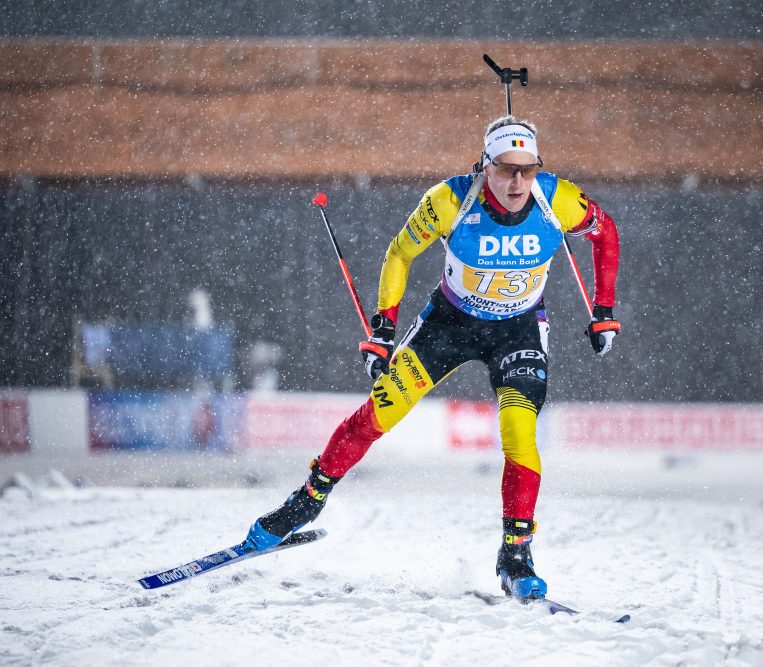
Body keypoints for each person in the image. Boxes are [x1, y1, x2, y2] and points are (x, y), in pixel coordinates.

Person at [245, 115, 621, 599]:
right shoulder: (449, 200)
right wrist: (383, 330)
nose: (517, 182)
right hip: (450, 324)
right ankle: (305, 503)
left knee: (519, 434)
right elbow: (399, 254)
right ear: (486, 167)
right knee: (379, 413)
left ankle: (516, 555)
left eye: (527, 170)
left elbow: (605, 231)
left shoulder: (560, 199)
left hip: (519, 329)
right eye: (506, 169)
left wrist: (605, 308)